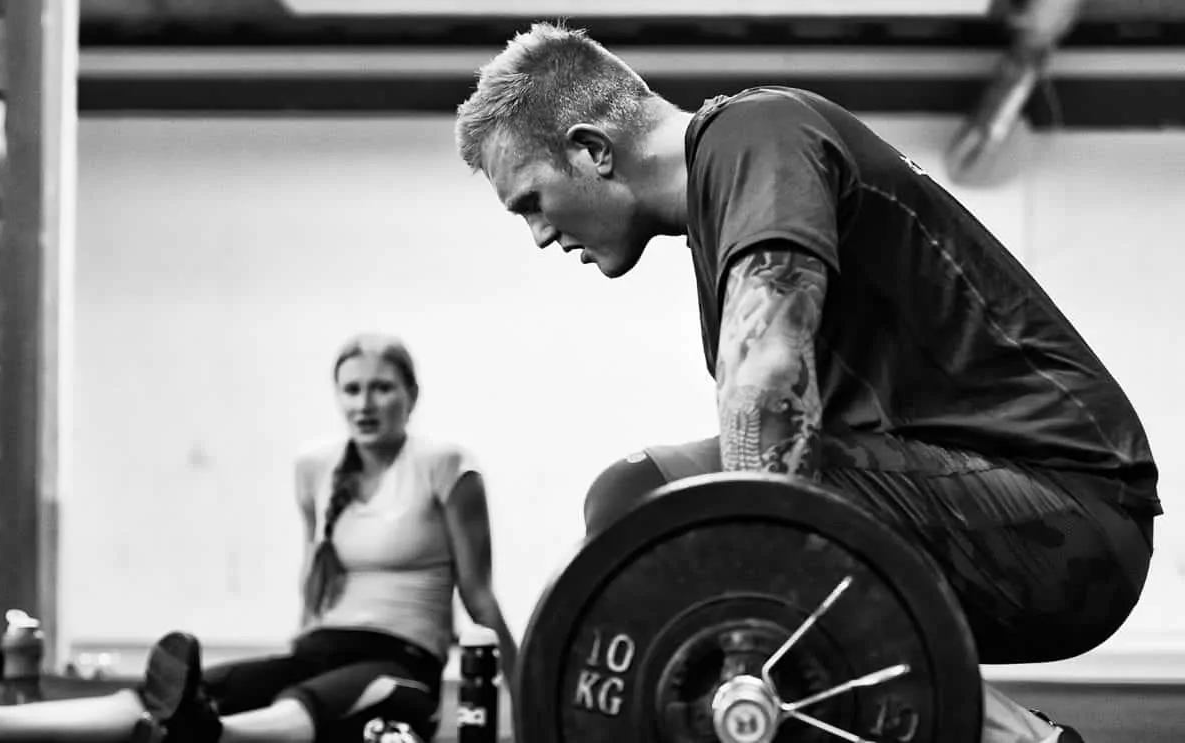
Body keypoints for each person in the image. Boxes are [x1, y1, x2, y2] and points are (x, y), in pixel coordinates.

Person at [454, 21, 1159, 743]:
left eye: (532, 202)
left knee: (640, 499)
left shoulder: (757, 136)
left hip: (1070, 515)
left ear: (592, 149)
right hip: (1016, 513)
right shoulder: (730, 188)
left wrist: (751, 641)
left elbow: (765, 381)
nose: (540, 235)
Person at [0, 332, 518, 743]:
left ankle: (207, 732)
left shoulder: (445, 465)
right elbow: (311, 587)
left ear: (411, 394)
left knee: (302, 701)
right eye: (351, 389)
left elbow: (480, 598)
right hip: (319, 645)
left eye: (382, 388)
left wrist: (529, 699)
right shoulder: (315, 467)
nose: (365, 403)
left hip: (400, 662)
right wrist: (293, 649)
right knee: (169, 696)